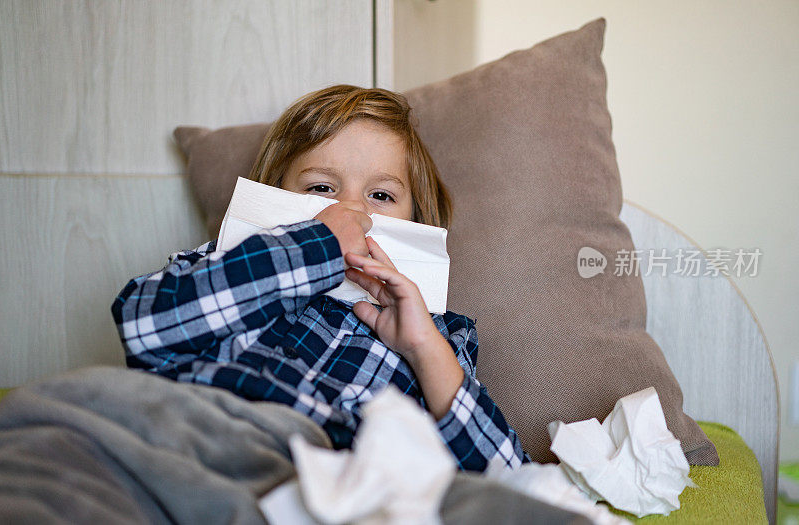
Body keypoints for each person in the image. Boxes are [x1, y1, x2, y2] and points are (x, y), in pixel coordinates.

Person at [112, 85, 532, 472]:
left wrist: (424, 348)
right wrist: (316, 245)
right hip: (198, 444)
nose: (351, 211)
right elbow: (143, 326)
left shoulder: (437, 334)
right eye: (321, 188)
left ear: (416, 220)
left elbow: (510, 477)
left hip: (338, 480)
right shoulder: (223, 262)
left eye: (381, 196)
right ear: (275, 193)